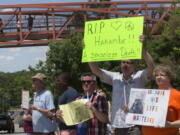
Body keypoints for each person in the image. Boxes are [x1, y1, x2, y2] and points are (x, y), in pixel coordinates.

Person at [88, 36, 154, 135]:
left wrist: (143, 50)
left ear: (134, 65)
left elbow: (151, 67)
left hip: (134, 125)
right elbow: (95, 70)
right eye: (123, 62)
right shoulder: (115, 77)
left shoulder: (140, 77)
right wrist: (88, 50)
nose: (125, 65)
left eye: (129, 62)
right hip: (118, 124)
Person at [142, 65, 180, 135]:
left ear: (169, 77)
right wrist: (130, 111)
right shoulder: (150, 95)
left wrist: (170, 124)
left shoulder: (177, 95)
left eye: (162, 75)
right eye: (156, 75)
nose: (158, 77)